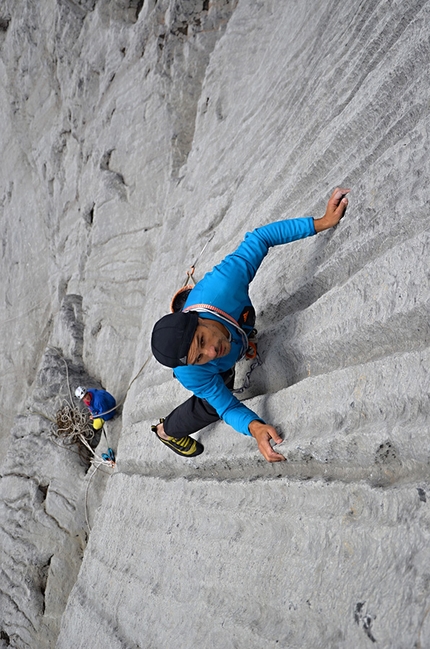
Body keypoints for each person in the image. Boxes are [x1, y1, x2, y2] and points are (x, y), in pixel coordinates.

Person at [151, 188, 350, 463]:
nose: (211, 352)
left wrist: (322, 222)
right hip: (213, 341)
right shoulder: (191, 373)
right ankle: (166, 431)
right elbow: (226, 406)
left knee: (239, 326)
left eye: (201, 340)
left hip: (214, 308)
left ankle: (235, 336)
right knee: (212, 403)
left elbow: (261, 238)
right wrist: (254, 427)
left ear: (196, 317)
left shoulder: (223, 285)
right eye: (199, 357)